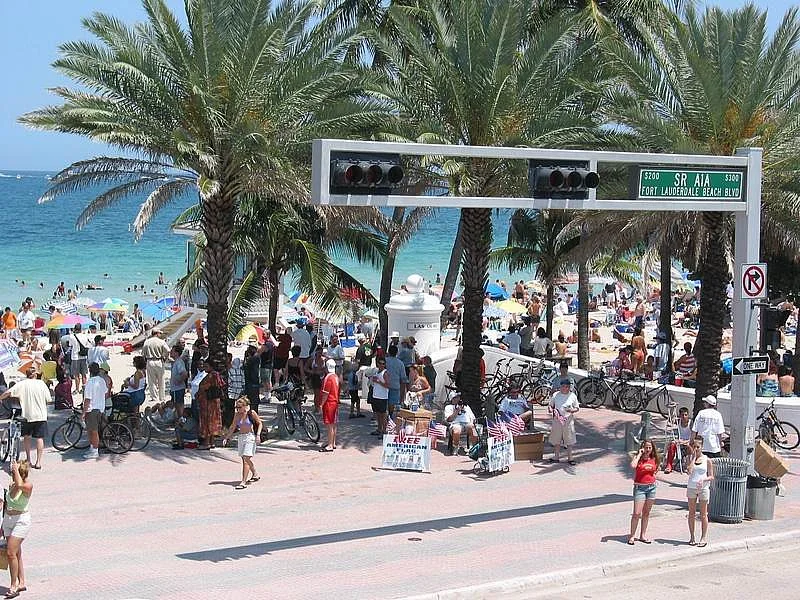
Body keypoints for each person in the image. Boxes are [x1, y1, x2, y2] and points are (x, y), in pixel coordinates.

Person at [0, 369, 48, 469]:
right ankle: (38, 462)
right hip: (41, 415)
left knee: (26, 437)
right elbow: (48, 399)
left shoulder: (22, 384)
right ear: (35, 375)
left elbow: (8, 392)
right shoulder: (42, 384)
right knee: (40, 438)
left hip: (27, 415)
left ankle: (28, 460)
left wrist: (0, 398)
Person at [3, 459, 32, 597]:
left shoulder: (27, 485)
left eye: (14, 471)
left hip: (21, 521)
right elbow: (7, 504)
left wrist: (15, 470)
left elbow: (20, 485)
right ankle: (22, 582)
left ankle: (13, 585)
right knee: (16, 553)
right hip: (8, 521)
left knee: (10, 553)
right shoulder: (12, 484)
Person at [222, 398, 262, 489]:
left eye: (239, 407)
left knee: (246, 458)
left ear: (245, 406)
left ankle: (243, 482)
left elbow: (259, 423)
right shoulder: (237, 415)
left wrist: (258, 435)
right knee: (245, 458)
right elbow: (233, 427)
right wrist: (227, 437)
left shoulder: (251, 413)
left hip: (250, 437)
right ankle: (255, 473)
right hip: (241, 437)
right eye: (236, 407)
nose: (237, 409)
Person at [628, 439, 660, 545]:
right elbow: (632, 466)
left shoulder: (654, 459)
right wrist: (639, 455)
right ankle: (632, 536)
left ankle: (643, 535)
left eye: (650, 448)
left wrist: (654, 478)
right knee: (637, 513)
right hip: (640, 488)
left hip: (651, 488)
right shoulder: (639, 459)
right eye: (646, 447)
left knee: (646, 513)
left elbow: (656, 470)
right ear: (643, 448)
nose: (648, 450)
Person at [686, 438, 714, 547]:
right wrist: (693, 458)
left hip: (703, 488)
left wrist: (704, 479)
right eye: (694, 447)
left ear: (702, 447)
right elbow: (689, 471)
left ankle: (703, 537)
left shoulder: (707, 460)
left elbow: (711, 476)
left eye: (698, 447)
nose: (696, 449)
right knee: (691, 513)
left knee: (703, 514)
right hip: (692, 487)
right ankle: (692, 536)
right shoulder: (690, 458)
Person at [548, 378, 579, 465]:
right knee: (556, 439)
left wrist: (571, 410)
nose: (565, 388)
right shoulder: (555, 395)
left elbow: (577, 408)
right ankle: (556, 457)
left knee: (569, 439)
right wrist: (551, 410)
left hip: (568, 419)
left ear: (569, 387)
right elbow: (550, 405)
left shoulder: (573, 396)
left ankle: (570, 458)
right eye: (563, 386)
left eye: (567, 386)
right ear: (560, 387)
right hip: (557, 419)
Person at [82, 362, 108, 459]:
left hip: (92, 409)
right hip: (100, 407)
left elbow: (87, 399)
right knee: (93, 430)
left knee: (93, 430)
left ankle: (95, 450)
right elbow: (105, 393)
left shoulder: (90, 382)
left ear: (90, 371)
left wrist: (84, 412)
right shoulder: (101, 380)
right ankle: (93, 448)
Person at [196, 360, 224, 450]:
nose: (204, 367)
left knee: (208, 421)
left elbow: (205, 387)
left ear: (211, 366)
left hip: (208, 403)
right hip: (213, 402)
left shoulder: (212, 375)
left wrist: (198, 393)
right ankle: (212, 442)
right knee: (212, 421)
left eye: (206, 366)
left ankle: (206, 442)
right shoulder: (215, 375)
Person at [142, 327, 170, 403]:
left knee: (152, 381)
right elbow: (168, 350)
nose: (160, 334)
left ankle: (154, 397)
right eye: (160, 333)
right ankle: (162, 397)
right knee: (161, 380)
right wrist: (165, 358)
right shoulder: (161, 342)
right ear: (157, 333)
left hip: (150, 361)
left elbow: (143, 353)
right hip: (159, 361)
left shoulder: (147, 342)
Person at [319, 359, 340, 452]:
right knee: (334, 424)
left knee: (329, 425)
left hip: (329, 403)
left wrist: (321, 404)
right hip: (335, 402)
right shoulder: (335, 377)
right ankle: (332, 442)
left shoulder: (328, 378)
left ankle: (330, 444)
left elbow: (325, 393)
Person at [664, 407, 692, 473]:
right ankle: (669, 465)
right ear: (679, 415)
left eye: (686, 415)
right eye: (682, 415)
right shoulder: (678, 421)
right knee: (672, 445)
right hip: (679, 441)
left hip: (688, 442)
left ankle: (688, 465)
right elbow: (670, 420)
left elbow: (693, 437)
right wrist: (672, 409)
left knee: (688, 446)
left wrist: (685, 441)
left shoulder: (691, 423)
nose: (684, 417)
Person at [385, 345, 408, 416]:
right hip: (395, 385)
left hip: (384, 385)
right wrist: (402, 396)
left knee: (384, 402)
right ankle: (390, 416)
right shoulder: (400, 363)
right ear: (397, 352)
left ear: (388, 352)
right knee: (392, 403)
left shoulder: (385, 361)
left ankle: (384, 416)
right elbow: (403, 379)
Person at [369, 358, 390, 436]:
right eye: (380, 363)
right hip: (376, 395)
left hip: (383, 397)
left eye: (383, 364)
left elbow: (388, 385)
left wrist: (379, 382)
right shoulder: (377, 372)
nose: (382, 365)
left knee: (383, 415)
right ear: (377, 364)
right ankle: (379, 429)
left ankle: (384, 431)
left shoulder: (385, 373)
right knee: (378, 414)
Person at [67, 324, 89, 393]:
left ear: (74, 329)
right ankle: (84, 387)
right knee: (84, 374)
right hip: (83, 356)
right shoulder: (84, 335)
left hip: (75, 356)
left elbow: (70, 345)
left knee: (76, 375)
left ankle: (77, 389)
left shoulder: (72, 336)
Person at [169, 345, 188, 419]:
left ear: (176, 353)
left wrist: (178, 381)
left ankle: (181, 420)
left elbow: (184, 374)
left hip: (178, 388)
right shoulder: (176, 362)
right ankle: (179, 420)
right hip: (175, 388)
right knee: (177, 405)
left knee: (179, 405)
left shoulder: (179, 362)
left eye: (172, 351)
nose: (170, 352)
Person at [243, 346, 262, 415]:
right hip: (254, 383)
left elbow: (246, 369)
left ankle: (253, 417)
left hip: (251, 383)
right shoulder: (256, 359)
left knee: (252, 402)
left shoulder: (252, 360)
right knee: (254, 403)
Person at [227, 355, 245, 427]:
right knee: (239, 408)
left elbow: (229, 381)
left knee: (231, 408)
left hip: (231, 391)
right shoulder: (241, 371)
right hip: (239, 391)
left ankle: (231, 422)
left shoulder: (230, 371)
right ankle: (239, 423)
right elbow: (243, 381)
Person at [309, 346, 327, 413]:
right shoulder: (312, 360)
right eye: (319, 352)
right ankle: (317, 407)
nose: (320, 354)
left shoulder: (324, 359)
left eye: (321, 352)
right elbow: (305, 368)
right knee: (316, 394)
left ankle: (321, 406)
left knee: (322, 393)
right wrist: (312, 372)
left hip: (323, 377)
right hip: (315, 377)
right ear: (316, 352)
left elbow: (327, 369)